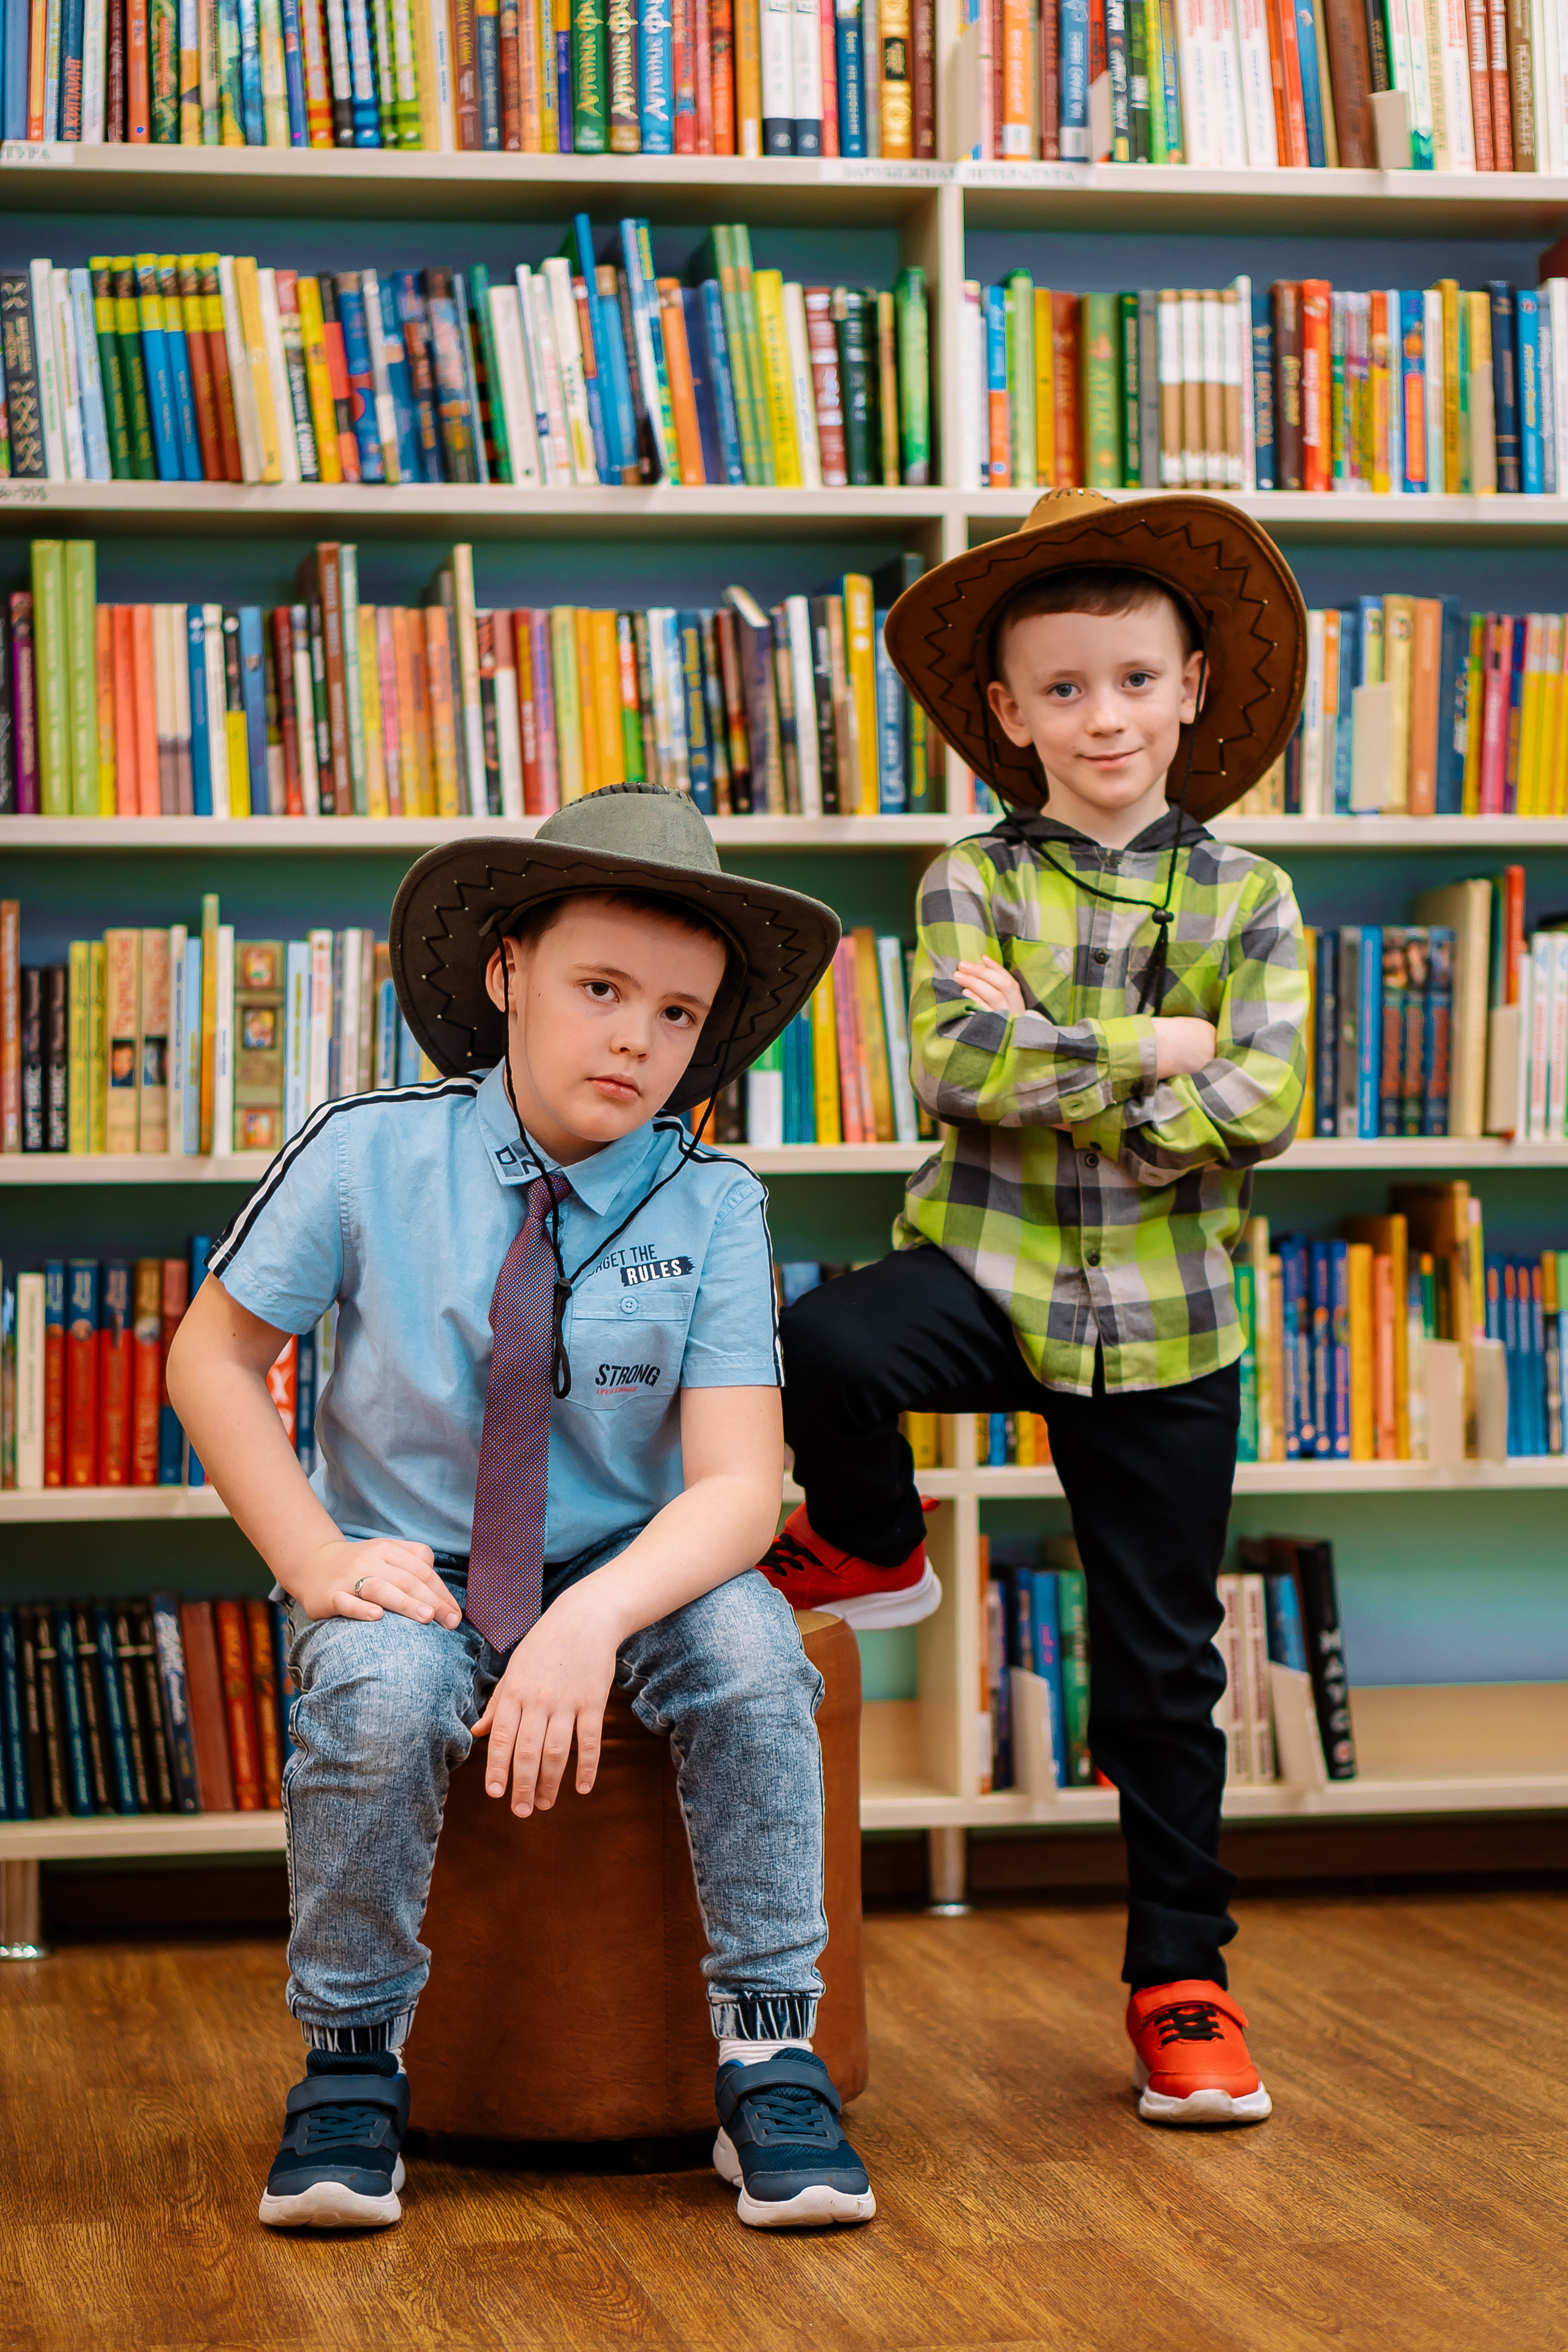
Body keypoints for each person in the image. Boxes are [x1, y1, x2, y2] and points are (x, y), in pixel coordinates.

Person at [168, 784, 877, 2233]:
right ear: (506, 973)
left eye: (677, 1015)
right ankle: (351, 2068)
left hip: (634, 1559)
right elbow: (212, 1357)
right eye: (600, 988)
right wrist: (314, 1559)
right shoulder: (366, 1152)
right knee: (370, 1697)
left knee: (756, 1661)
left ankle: (768, 2055)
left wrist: (592, 1620)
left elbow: (741, 1487)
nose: (636, 1036)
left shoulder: (715, 1203)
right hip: (411, 1561)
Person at [756, 489, 1311, 2127]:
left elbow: (1270, 1100)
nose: (1105, 716)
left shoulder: (1254, 899)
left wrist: (1076, 1052)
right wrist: (1164, 1049)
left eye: (1133, 679)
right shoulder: (963, 881)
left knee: (1159, 1663)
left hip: (1169, 1321)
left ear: (1193, 684)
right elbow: (953, 1066)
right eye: (1062, 690)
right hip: (989, 1275)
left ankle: (1181, 1981)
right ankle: (872, 1542)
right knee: (825, 1342)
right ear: (1007, 715)